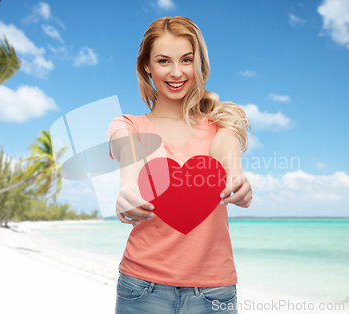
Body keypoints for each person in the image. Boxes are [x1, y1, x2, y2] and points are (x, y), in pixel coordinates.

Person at [107, 16, 252, 314]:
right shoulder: (128, 125)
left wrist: (236, 176)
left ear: (198, 64)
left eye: (186, 60)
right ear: (146, 65)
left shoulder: (222, 119)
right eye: (163, 61)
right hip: (141, 286)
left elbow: (224, 145)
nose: (176, 72)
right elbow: (129, 151)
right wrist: (127, 188)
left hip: (214, 290)